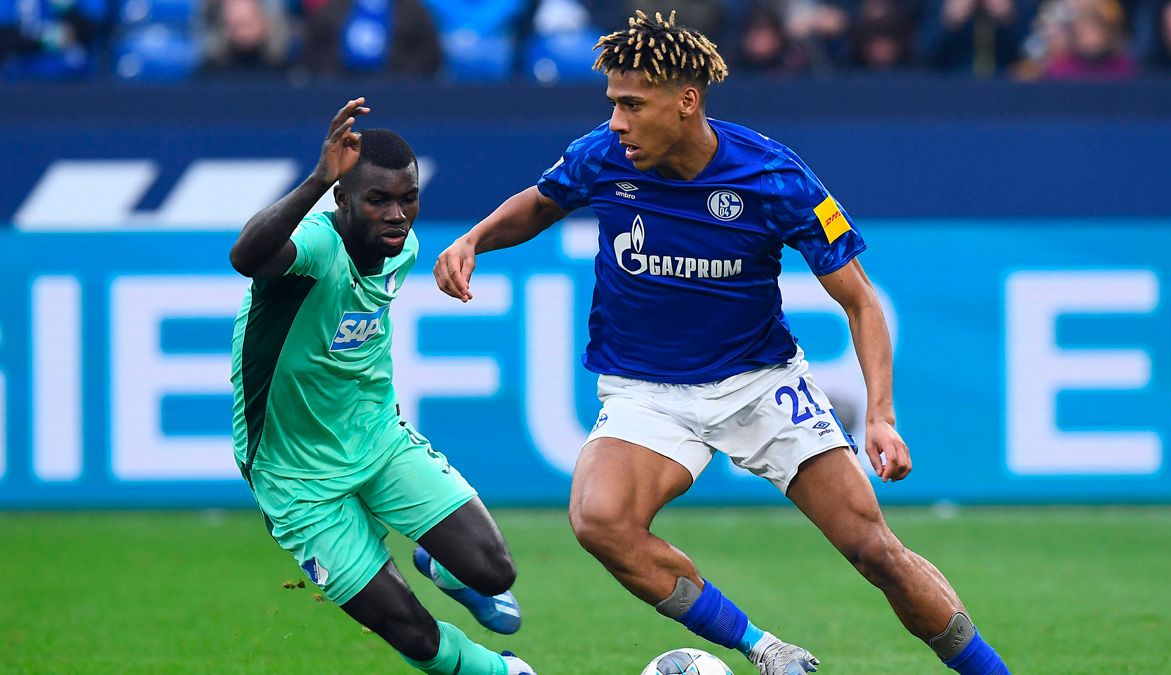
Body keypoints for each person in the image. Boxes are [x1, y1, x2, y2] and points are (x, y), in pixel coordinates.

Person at [434, 10, 1010, 675]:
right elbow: (542, 200)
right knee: (601, 521)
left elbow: (859, 299)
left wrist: (880, 412)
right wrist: (474, 238)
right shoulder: (603, 155)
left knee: (875, 550)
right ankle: (764, 649)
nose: (617, 121)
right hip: (646, 390)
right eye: (613, 104)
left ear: (686, 102)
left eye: (632, 104)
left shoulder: (774, 177)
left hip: (760, 383)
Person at [228, 97, 534, 675]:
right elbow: (246, 256)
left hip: (376, 441)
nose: (397, 214)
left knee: (494, 571)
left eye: (408, 198)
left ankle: (441, 565)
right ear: (342, 199)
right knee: (414, 635)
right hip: (296, 477)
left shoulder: (404, 248)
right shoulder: (316, 249)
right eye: (378, 200)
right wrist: (318, 177)